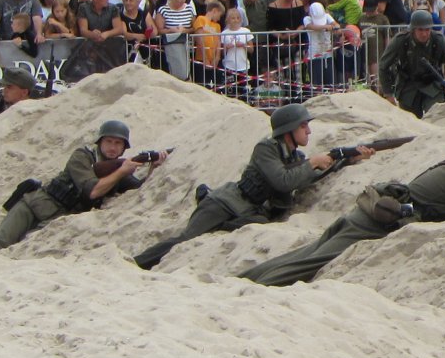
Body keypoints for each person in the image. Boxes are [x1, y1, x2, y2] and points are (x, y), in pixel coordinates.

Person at [241, 128, 445, 286]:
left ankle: (245, 279)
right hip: (373, 223)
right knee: (310, 261)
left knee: (308, 253)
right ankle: (258, 284)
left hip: (370, 212)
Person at [134, 103, 367, 269]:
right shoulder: (266, 149)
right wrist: (313, 163)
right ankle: (137, 263)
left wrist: (344, 160)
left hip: (247, 212)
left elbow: (306, 178)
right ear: (289, 129)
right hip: (224, 203)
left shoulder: (294, 156)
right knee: (185, 239)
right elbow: (283, 181)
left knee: (259, 222)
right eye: (303, 125)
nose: (308, 131)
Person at [0, 119, 165, 253]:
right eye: (109, 141)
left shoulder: (119, 169)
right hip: (34, 206)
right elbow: (92, 191)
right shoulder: (83, 156)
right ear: (100, 142)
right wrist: (121, 171)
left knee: (21, 250)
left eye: (118, 143)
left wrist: (152, 168)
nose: (113, 147)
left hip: (56, 219)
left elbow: (139, 191)